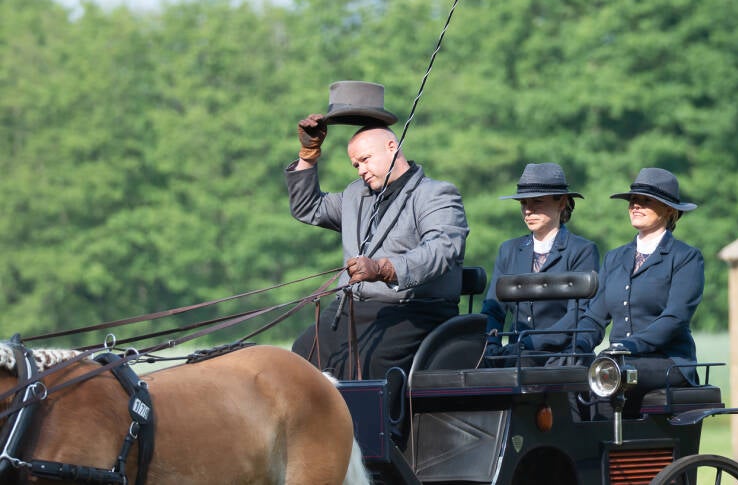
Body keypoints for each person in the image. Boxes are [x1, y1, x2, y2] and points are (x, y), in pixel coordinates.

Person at [285, 81, 469, 380]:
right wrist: (308, 156)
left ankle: (375, 414)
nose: (360, 170)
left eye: (365, 160)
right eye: (355, 165)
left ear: (392, 147)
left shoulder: (435, 194)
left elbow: (442, 249)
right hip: (352, 307)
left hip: (413, 310)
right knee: (303, 351)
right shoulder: (355, 195)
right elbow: (308, 208)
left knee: (371, 361)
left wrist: (384, 268)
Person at [575, 167, 704, 416]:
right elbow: (595, 316)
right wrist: (577, 346)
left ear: (670, 210)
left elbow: (675, 318)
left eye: (646, 201)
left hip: (668, 361)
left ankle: (609, 440)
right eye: (633, 200)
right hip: (618, 359)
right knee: (572, 374)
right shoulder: (614, 258)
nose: (636, 205)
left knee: (608, 374)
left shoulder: (686, 257)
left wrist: (628, 346)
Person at [481, 163, 599, 366]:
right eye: (523, 203)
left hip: (561, 357)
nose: (528, 210)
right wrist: (491, 344)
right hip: (515, 357)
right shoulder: (509, 250)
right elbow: (493, 309)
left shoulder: (582, 250)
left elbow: (578, 314)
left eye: (537, 202)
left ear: (561, 203)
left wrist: (530, 343)